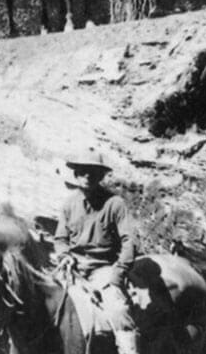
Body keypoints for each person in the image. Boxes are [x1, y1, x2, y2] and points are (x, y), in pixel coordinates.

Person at [53, 151, 139, 354]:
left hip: (103, 269)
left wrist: (118, 274)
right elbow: (60, 239)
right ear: (76, 174)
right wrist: (64, 255)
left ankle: (128, 350)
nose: (87, 177)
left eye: (93, 172)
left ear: (101, 176)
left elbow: (130, 241)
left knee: (118, 310)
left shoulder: (114, 204)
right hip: (73, 268)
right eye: (83, 172)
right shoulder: (69, 204)